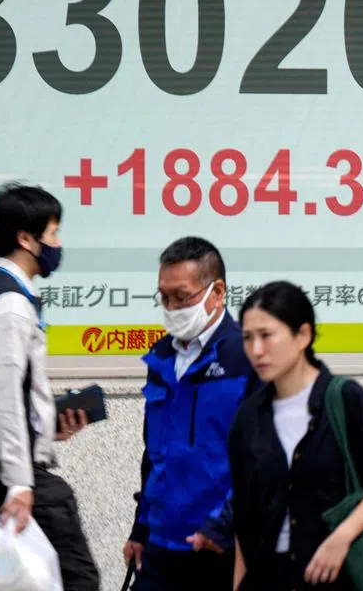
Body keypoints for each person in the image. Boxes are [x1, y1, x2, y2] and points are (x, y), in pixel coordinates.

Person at [0, 183, 98, 591]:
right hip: (1, 468)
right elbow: (3, 398)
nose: (57, 243)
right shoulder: (11, 304)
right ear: (25, 239)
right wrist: (19, 482)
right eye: (53, 233)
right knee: (76, 576)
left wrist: (48, 428)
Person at [228, 281, 363, 590]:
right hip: (269, 578)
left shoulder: (346, 401)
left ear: (303, 335)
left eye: (267, 336)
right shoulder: (248, 418)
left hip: (338, 576)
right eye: (248, 338)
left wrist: (343, 536)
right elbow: (244, 513)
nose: (256, 350)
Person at [124, 237, 257, 591]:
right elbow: (154, 456)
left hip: (219, 545)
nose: (171, 307)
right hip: (161, 544)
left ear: (217, 292)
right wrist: (140, 529)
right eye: (164, 298)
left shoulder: (246, 358)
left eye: (182, 297)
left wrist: (224, 525)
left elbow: (263, 459)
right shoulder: (161, 357)